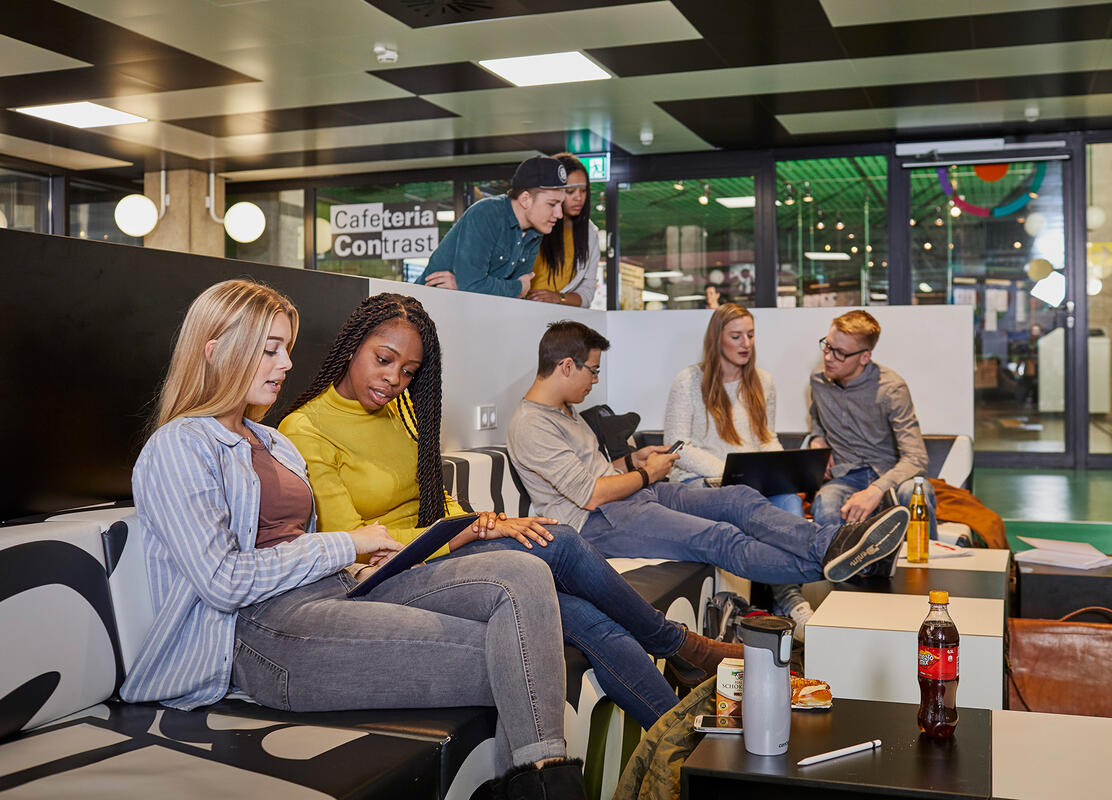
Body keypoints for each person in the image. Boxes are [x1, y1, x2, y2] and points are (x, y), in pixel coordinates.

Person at [123, 279, 586, 797]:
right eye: (270, 350)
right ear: (216, 351)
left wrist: (378, 554)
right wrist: (348, 544)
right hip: (259, 632)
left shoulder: (270, 440)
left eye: (287, 350)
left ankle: (538, 785)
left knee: (524, 573)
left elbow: (315, 541)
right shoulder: (178, 446)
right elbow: (223, 581)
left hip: (337, 591)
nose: (286, 364)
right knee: (522, 659)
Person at [279, 293, 740, 732]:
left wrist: (488, 521)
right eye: (384, 360)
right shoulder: (306, 427)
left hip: (441, 550)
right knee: (558, 542)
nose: (394, 379)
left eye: (408, 370)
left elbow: (437, 496)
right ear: (352, 345)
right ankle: (680, 645)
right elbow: (353, 543)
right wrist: (464, 532)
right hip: (388, 574)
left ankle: (676, 743)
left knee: (578, 613)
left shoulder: (400, 410)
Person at [506, 320, 911, 591]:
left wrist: (634, 461)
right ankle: (838, 561)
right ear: (565, 366)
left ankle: (834, 544)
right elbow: (591, 495)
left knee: (738, 498)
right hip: (596, 522)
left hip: (628, 497)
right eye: (592, 371)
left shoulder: (565, 410)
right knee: (719, 538)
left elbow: (596, 472)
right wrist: (649, 475)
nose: (595, 380)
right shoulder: (532, 425)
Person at [663, 304, 813, 633]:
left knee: (788, 499)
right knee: (748, 503)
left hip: (749, 483)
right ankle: (777, 594)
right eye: (736, 336)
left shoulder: (762, 382)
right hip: (700, 481)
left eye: (751, 335)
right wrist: (729, 473)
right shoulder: (689, 381)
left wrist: (779, 468)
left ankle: (790, 598)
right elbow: (677, 445)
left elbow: (766, 438)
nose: (746, 343)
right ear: (717, 339)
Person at [809, 309, 936, 539]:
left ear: (864, 357)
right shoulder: (819, 381)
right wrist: (818, 440)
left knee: (918, 492)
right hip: (845, 476)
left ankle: (927, 572)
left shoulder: (891, 388)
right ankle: (839, 574)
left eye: (840, 353)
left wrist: (876, 490)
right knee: (825, 502)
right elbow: (817, 416)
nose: (828, 357)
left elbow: (917, 458)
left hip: (888, 475)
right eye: (827, 346)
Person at [418, 155, 566, 298]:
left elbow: (513, 295)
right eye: (552, 204)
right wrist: (517, 287)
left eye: (561, 204)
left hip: (474, 311)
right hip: (429, 307)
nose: (559, 214)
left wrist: (465, 287)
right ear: (525, 199)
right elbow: (478, 285)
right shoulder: (487, 214)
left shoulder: (535, 231)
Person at [526, 152, 599, 307]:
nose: (579, 197)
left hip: (560, 318)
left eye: (583, 190)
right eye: (570, 191)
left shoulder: (590, 233)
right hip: (521, 310)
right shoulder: (531, 225)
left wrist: (559, 298)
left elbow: (587, 292)